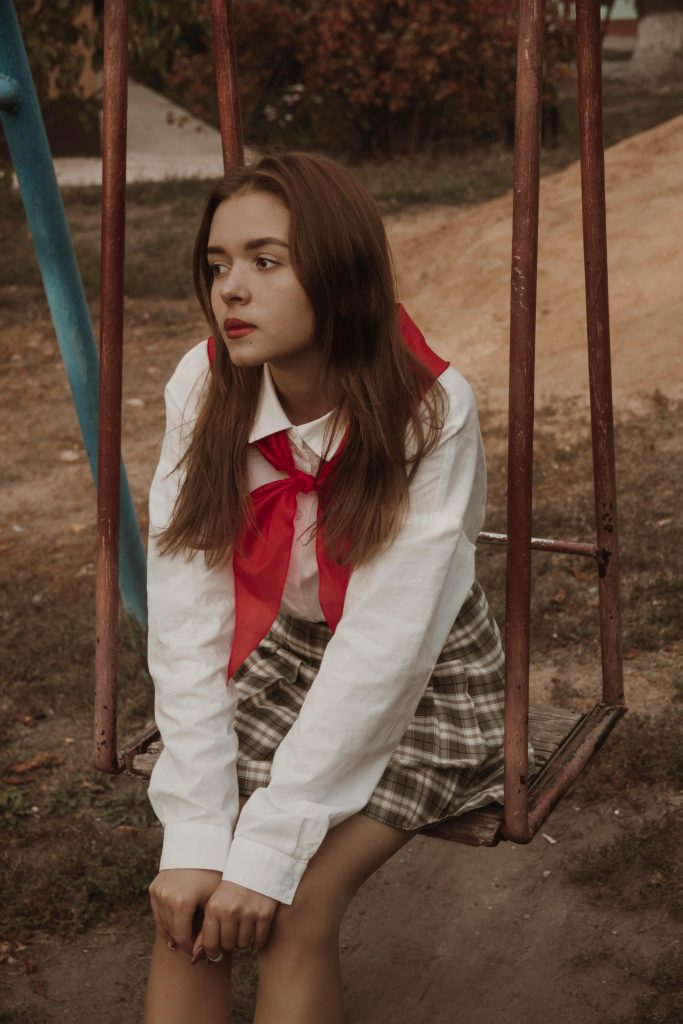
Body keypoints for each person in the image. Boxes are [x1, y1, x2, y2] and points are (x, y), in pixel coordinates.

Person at [143, 151, 514, 1024]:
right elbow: (187, 613)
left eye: (265, 262)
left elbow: (386, 651)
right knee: (190, 907)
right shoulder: (205, 386)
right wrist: (198, 837)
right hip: (288, 654)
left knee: (293, 902)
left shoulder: (426, 407)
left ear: (342, 277)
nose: (230, 289)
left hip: (420, 678)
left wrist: (267, 851)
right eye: (217, 265)